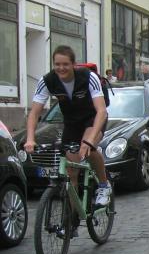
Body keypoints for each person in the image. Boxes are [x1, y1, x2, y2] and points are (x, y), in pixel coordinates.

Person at [25, 46, 112, 228]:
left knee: (87, 149)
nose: (61, 68)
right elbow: (34, 113)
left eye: (65, 64)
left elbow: (101, 111)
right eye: (57, 64)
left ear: (73, 64)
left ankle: (104, 186)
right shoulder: (47, 81)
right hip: (72, 123)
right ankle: (72, 218)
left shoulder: (88, 77)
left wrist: (90, 140)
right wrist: (30, 139)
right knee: (71, 172)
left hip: (93, 119)